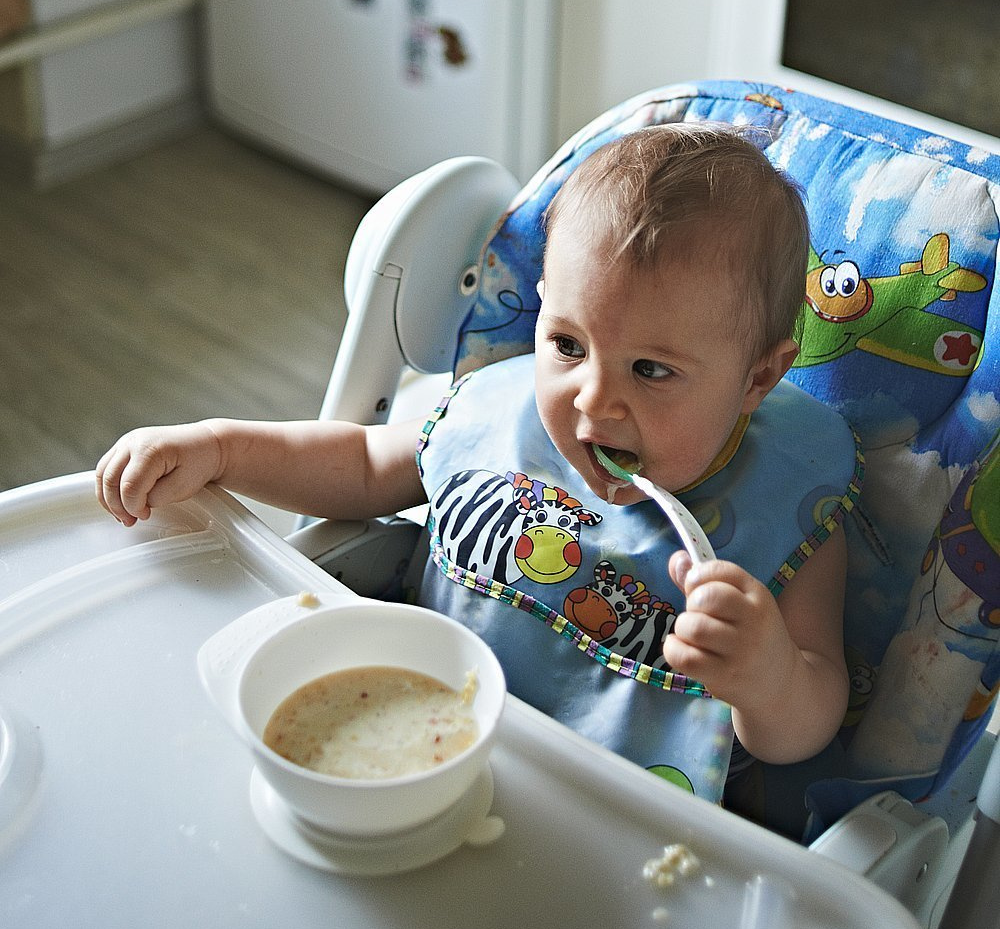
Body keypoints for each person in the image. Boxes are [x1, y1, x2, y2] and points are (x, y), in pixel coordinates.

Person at [96, 124, 858, 802]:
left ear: (758, 377)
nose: (593, 401)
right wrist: (222, 448)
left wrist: (770, 677)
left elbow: (812, 716)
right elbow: (363, 463)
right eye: (567, 344)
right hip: (411, 752)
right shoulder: (499, 412)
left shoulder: (787, 509)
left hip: (612, 825)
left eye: (651, 371)